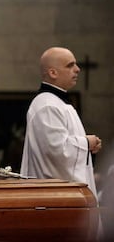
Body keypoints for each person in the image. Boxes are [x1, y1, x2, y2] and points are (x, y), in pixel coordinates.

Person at [20, 47, 103, 240]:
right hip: (58, 203)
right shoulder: (47, 105)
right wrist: (86, 143)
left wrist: (86, 145)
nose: (78, 69)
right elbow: (57, 151)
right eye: (70, 65)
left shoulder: (56, 102)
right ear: (53, 72)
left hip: (64, 202)